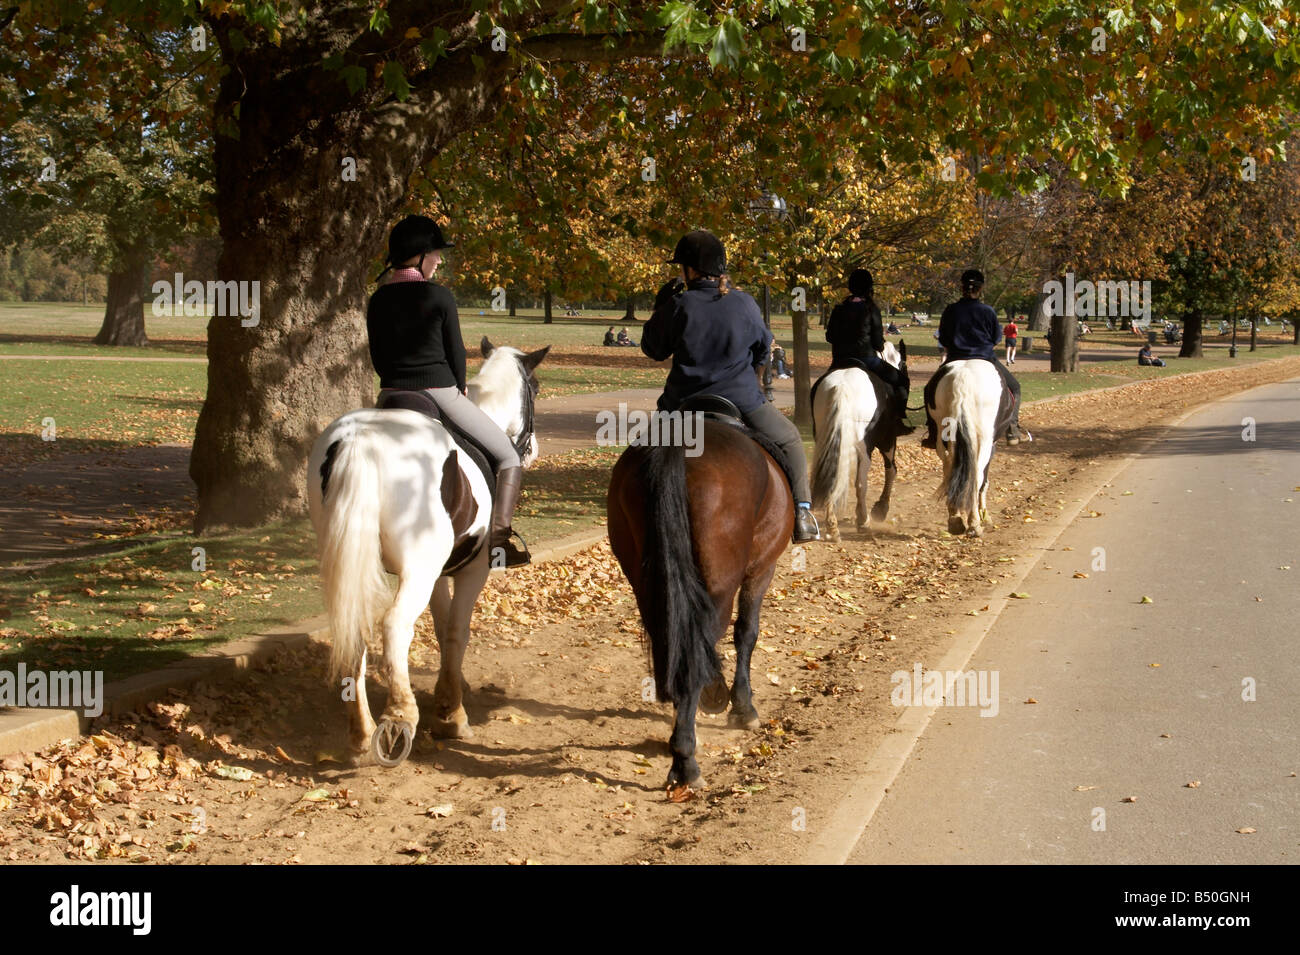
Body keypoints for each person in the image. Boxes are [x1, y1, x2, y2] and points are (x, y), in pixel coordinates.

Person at [367, 214, 531, 566]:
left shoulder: (377, 299)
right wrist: (459, 389)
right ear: (419, 255)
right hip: (439, 392)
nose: (439, 259)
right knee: (508, 456)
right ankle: (499, 543)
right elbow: (456, 353)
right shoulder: (439, 296)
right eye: (436, 253)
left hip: (390, 395)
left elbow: (378, 358)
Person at [641, 229, 820, 542]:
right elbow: (764, 347)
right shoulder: (745, 303)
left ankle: (639, 516)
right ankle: (803, 514)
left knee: (641, 456)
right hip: (742, 401)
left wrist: (661, 307)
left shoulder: (678, 305)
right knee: (790, 439)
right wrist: (750, 374)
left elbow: (654, 350)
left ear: (691, 270)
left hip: (682, 404)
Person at [921, 269, 1022, 448]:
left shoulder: (951, 310)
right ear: (980, 288)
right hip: (985, 358)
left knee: (929, 389)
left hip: (953, 359)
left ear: (962, 287)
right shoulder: (988, 311)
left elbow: (943, 338)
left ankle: (935, 434)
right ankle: (1012, 430)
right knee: (1014, 388)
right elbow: (996, 338)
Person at [823, 268, 913, 433]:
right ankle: (899, 419)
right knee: (902, 381)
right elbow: (878, 343)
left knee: (819, 388)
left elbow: (829, 337)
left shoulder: (838, 309)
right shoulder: (871, 309)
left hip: (840, 360)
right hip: (867, 359)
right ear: (869, 288)